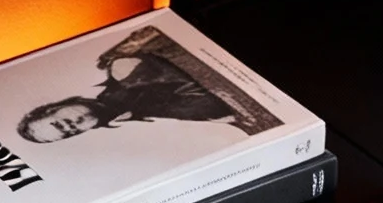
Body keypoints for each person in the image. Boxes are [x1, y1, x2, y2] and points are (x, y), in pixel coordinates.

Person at [16, 24, 278, 145]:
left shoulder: (122, 72)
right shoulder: (137, 123)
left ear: (55, 108)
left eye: (61, 123)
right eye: (70, 132)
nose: (73, 125)